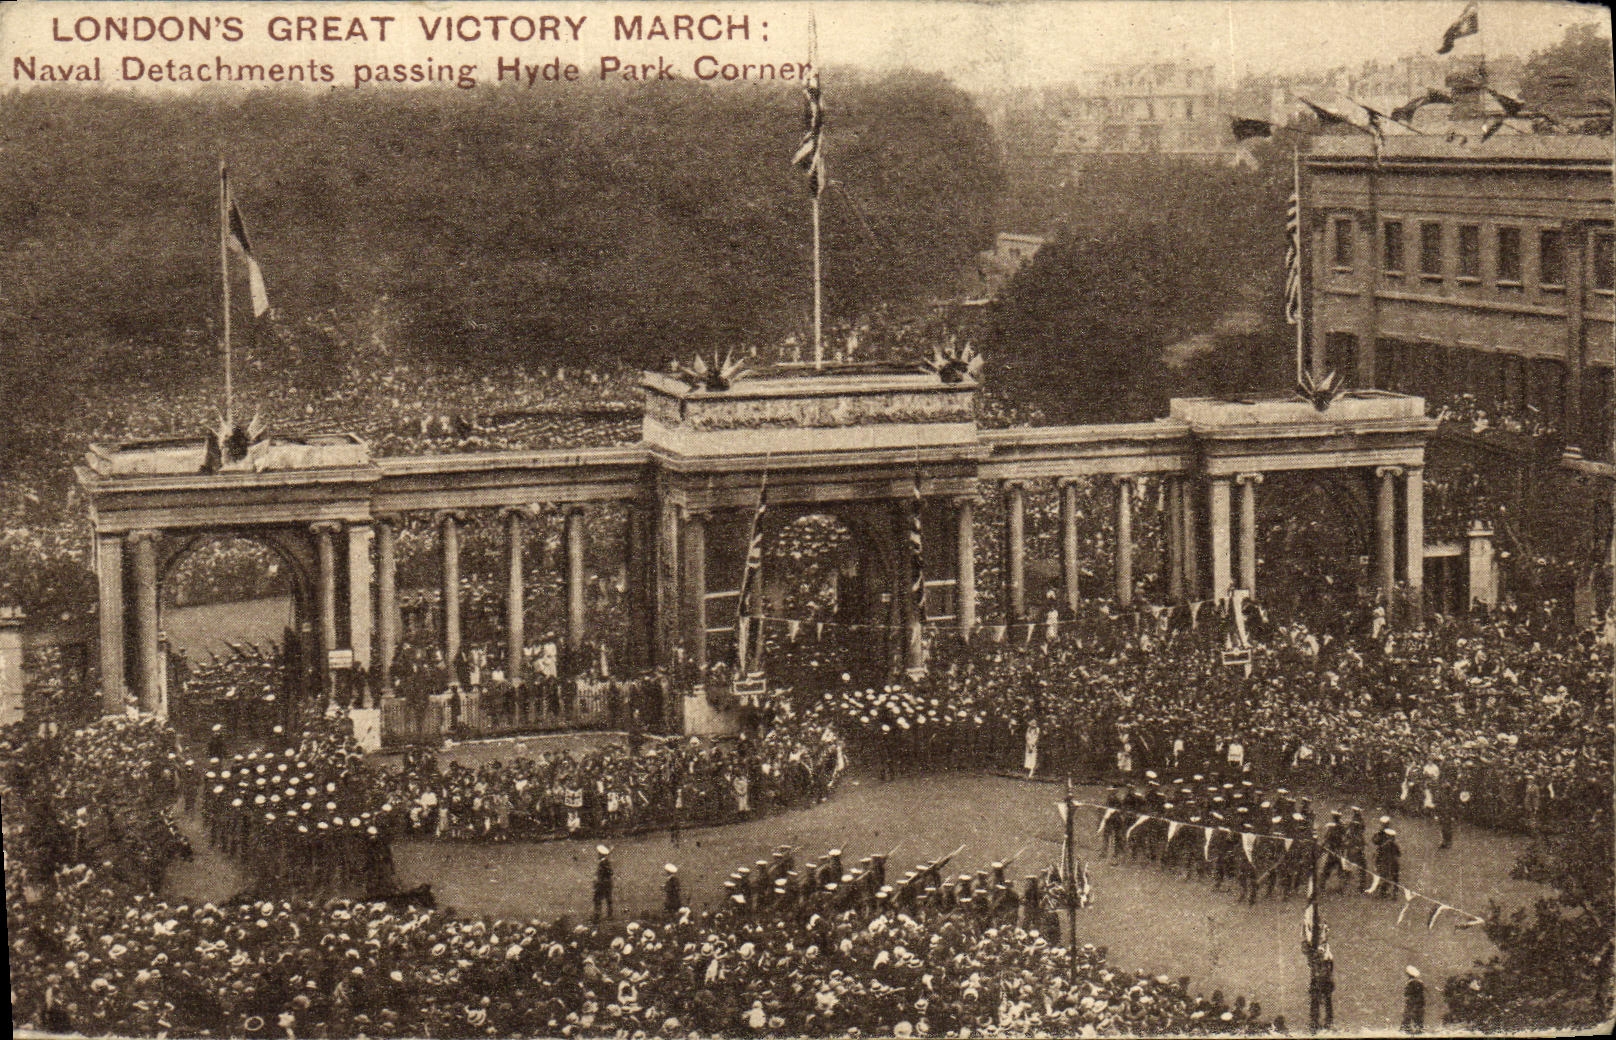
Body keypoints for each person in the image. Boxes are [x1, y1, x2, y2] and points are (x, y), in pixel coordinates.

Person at [1305, 929, 1335, 1033]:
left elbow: (1328, 965)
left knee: (1325, 1003)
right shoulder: (1318, 951)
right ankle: (1315, 1024)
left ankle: (1326, 1024)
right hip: (1319, 979)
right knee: (1317, 1003)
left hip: (1324, 979)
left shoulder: (1326, 951)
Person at [593, 844, 614, 922]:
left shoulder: (603, 863)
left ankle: (597, 917)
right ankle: (609, 915)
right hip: (607, 883)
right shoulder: (605, 862)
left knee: (597, 900)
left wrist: (599, 880)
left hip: (602, 884)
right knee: (608, 899)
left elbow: (609, 873)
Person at [1402, 965, 1425, 1033]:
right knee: (1418, 1017)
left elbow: (1407, 993)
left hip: (1412, 1002)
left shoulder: (1411, 983)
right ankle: (1418, 1029)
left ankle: (1407, 1029)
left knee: (1409, 1015)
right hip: (1419, 1003)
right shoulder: (1420, 982)